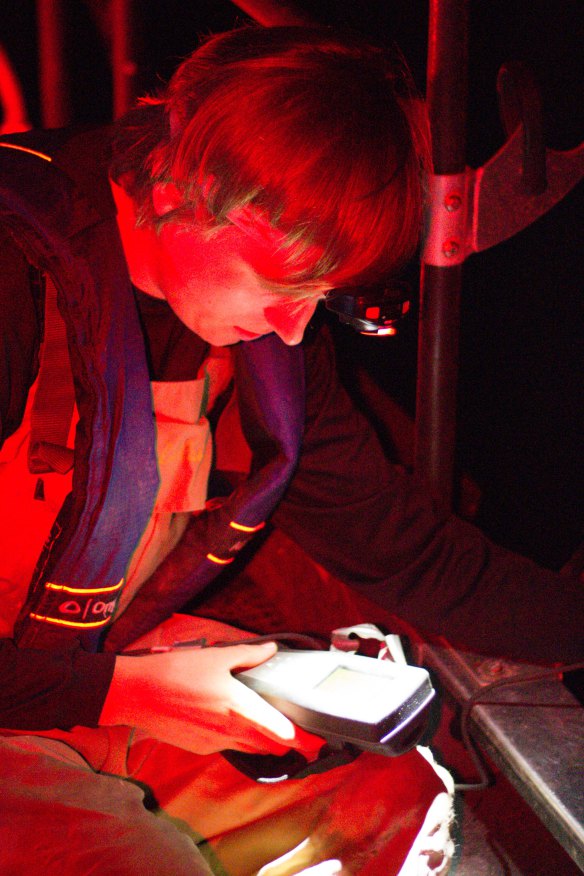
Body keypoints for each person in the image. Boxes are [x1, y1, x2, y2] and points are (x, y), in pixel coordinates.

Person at [0, 24, 580, 876]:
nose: (295, 329)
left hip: (76, 690)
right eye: (282, 288)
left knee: (395, 809)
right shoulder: (15, 281)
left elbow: (401, 548)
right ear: (185, 186)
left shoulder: (259, 324)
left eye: (321, 296)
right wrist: (116, 689)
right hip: (51, 703)